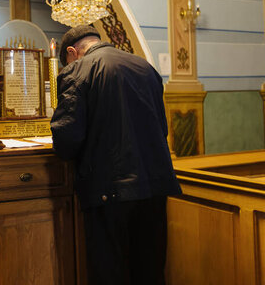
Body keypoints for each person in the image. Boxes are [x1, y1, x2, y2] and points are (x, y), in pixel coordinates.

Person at [50, 25, 181, 285]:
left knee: (109, 272)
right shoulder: (144, 66)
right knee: (150, 270)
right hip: (154, 186)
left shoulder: (77, 69)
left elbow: (67, 140)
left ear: (72, 52)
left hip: (108, 191)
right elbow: (162, 127)